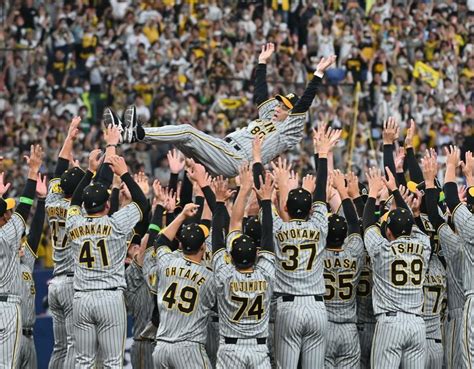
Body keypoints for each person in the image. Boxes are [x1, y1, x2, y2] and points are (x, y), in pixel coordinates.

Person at [104, 45, 337, 177]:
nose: (277, 107)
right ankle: (124, 132)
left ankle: (135, 133)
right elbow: (259, 94)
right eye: (279, 103)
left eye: (284, 107)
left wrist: (317, 74)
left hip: (237, 160)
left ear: (292, 113)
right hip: (223, 152)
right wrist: (262, 63)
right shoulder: (269, 116)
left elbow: (304, 103)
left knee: (187, 131)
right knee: (180, 139)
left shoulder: (290, 131)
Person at [66, 125, 147, 368]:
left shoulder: (73, 222)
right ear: (108, 205)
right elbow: (143, 204)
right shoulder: (116, 224)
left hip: (81, 298)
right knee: (113, 363)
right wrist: (124, 174)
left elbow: (77, 197)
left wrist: (91, 172)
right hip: (110, 297)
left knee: (84, 362)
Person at [362, 167, 431, 368]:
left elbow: (367, 224)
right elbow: (411, 220)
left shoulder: (382, 249)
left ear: (389, 231)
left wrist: (373, 193)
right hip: (418, 324)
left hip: (390, 323)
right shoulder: (424, 245)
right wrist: (394, 191)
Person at [151, 203, 216, 368]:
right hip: (189, 349)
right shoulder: (208, 277)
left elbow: (161, 241)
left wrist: (182, 216)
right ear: (203, 246)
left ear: (180, 245)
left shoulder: (167, 262)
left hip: (161, 348)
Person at [0, 144, 43, 368]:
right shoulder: (8, 235)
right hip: (7, 308)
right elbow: (25, 206)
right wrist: (33, 173)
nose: (9, 214)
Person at [17, 174, 47, 369]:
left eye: (22, 240)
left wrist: (42, 201)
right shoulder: (5, 262)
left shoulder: (25, 259)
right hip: (12, 334)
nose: (21, 244)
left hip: (29, 336)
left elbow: (35, 233)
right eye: (17, 240)